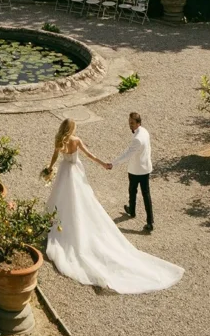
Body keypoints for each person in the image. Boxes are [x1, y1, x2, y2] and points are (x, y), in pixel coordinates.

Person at [43, 118, 183, 294]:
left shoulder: (60, 140)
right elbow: (89, 155)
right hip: (75, 171)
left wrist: (49, 168)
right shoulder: (76, 140)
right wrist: (104, 164)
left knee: (61, 196)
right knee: (82, 198)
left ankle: (57, 222)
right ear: (72, 128)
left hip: (65, 170)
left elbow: (55, 156)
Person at [107, 112, 154, 233]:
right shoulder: (144, 131)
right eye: (129, 123)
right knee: (146, 194)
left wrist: (113, 163)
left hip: (136, 170)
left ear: (138, 123)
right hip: (146, 168)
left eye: (132, 123)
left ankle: (133, 211)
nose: (130, 125)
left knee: (133, 191)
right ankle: (149, 221)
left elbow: (127, 155)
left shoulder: (137, 139)